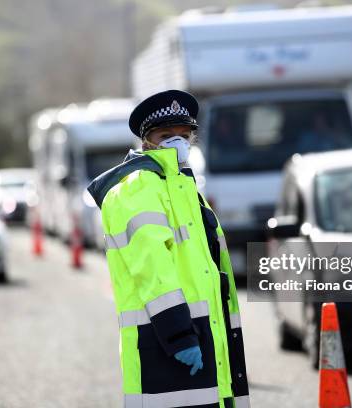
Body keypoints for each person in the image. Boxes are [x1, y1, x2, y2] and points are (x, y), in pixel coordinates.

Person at [87, 90, 250, 408]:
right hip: (169, 338)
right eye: (166, 135)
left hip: (205, 335)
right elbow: (152, 268)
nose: (177, 142)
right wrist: (180, 337)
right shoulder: (137, 189)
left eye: (184, 135)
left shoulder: (185, 188)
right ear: (146, 141)